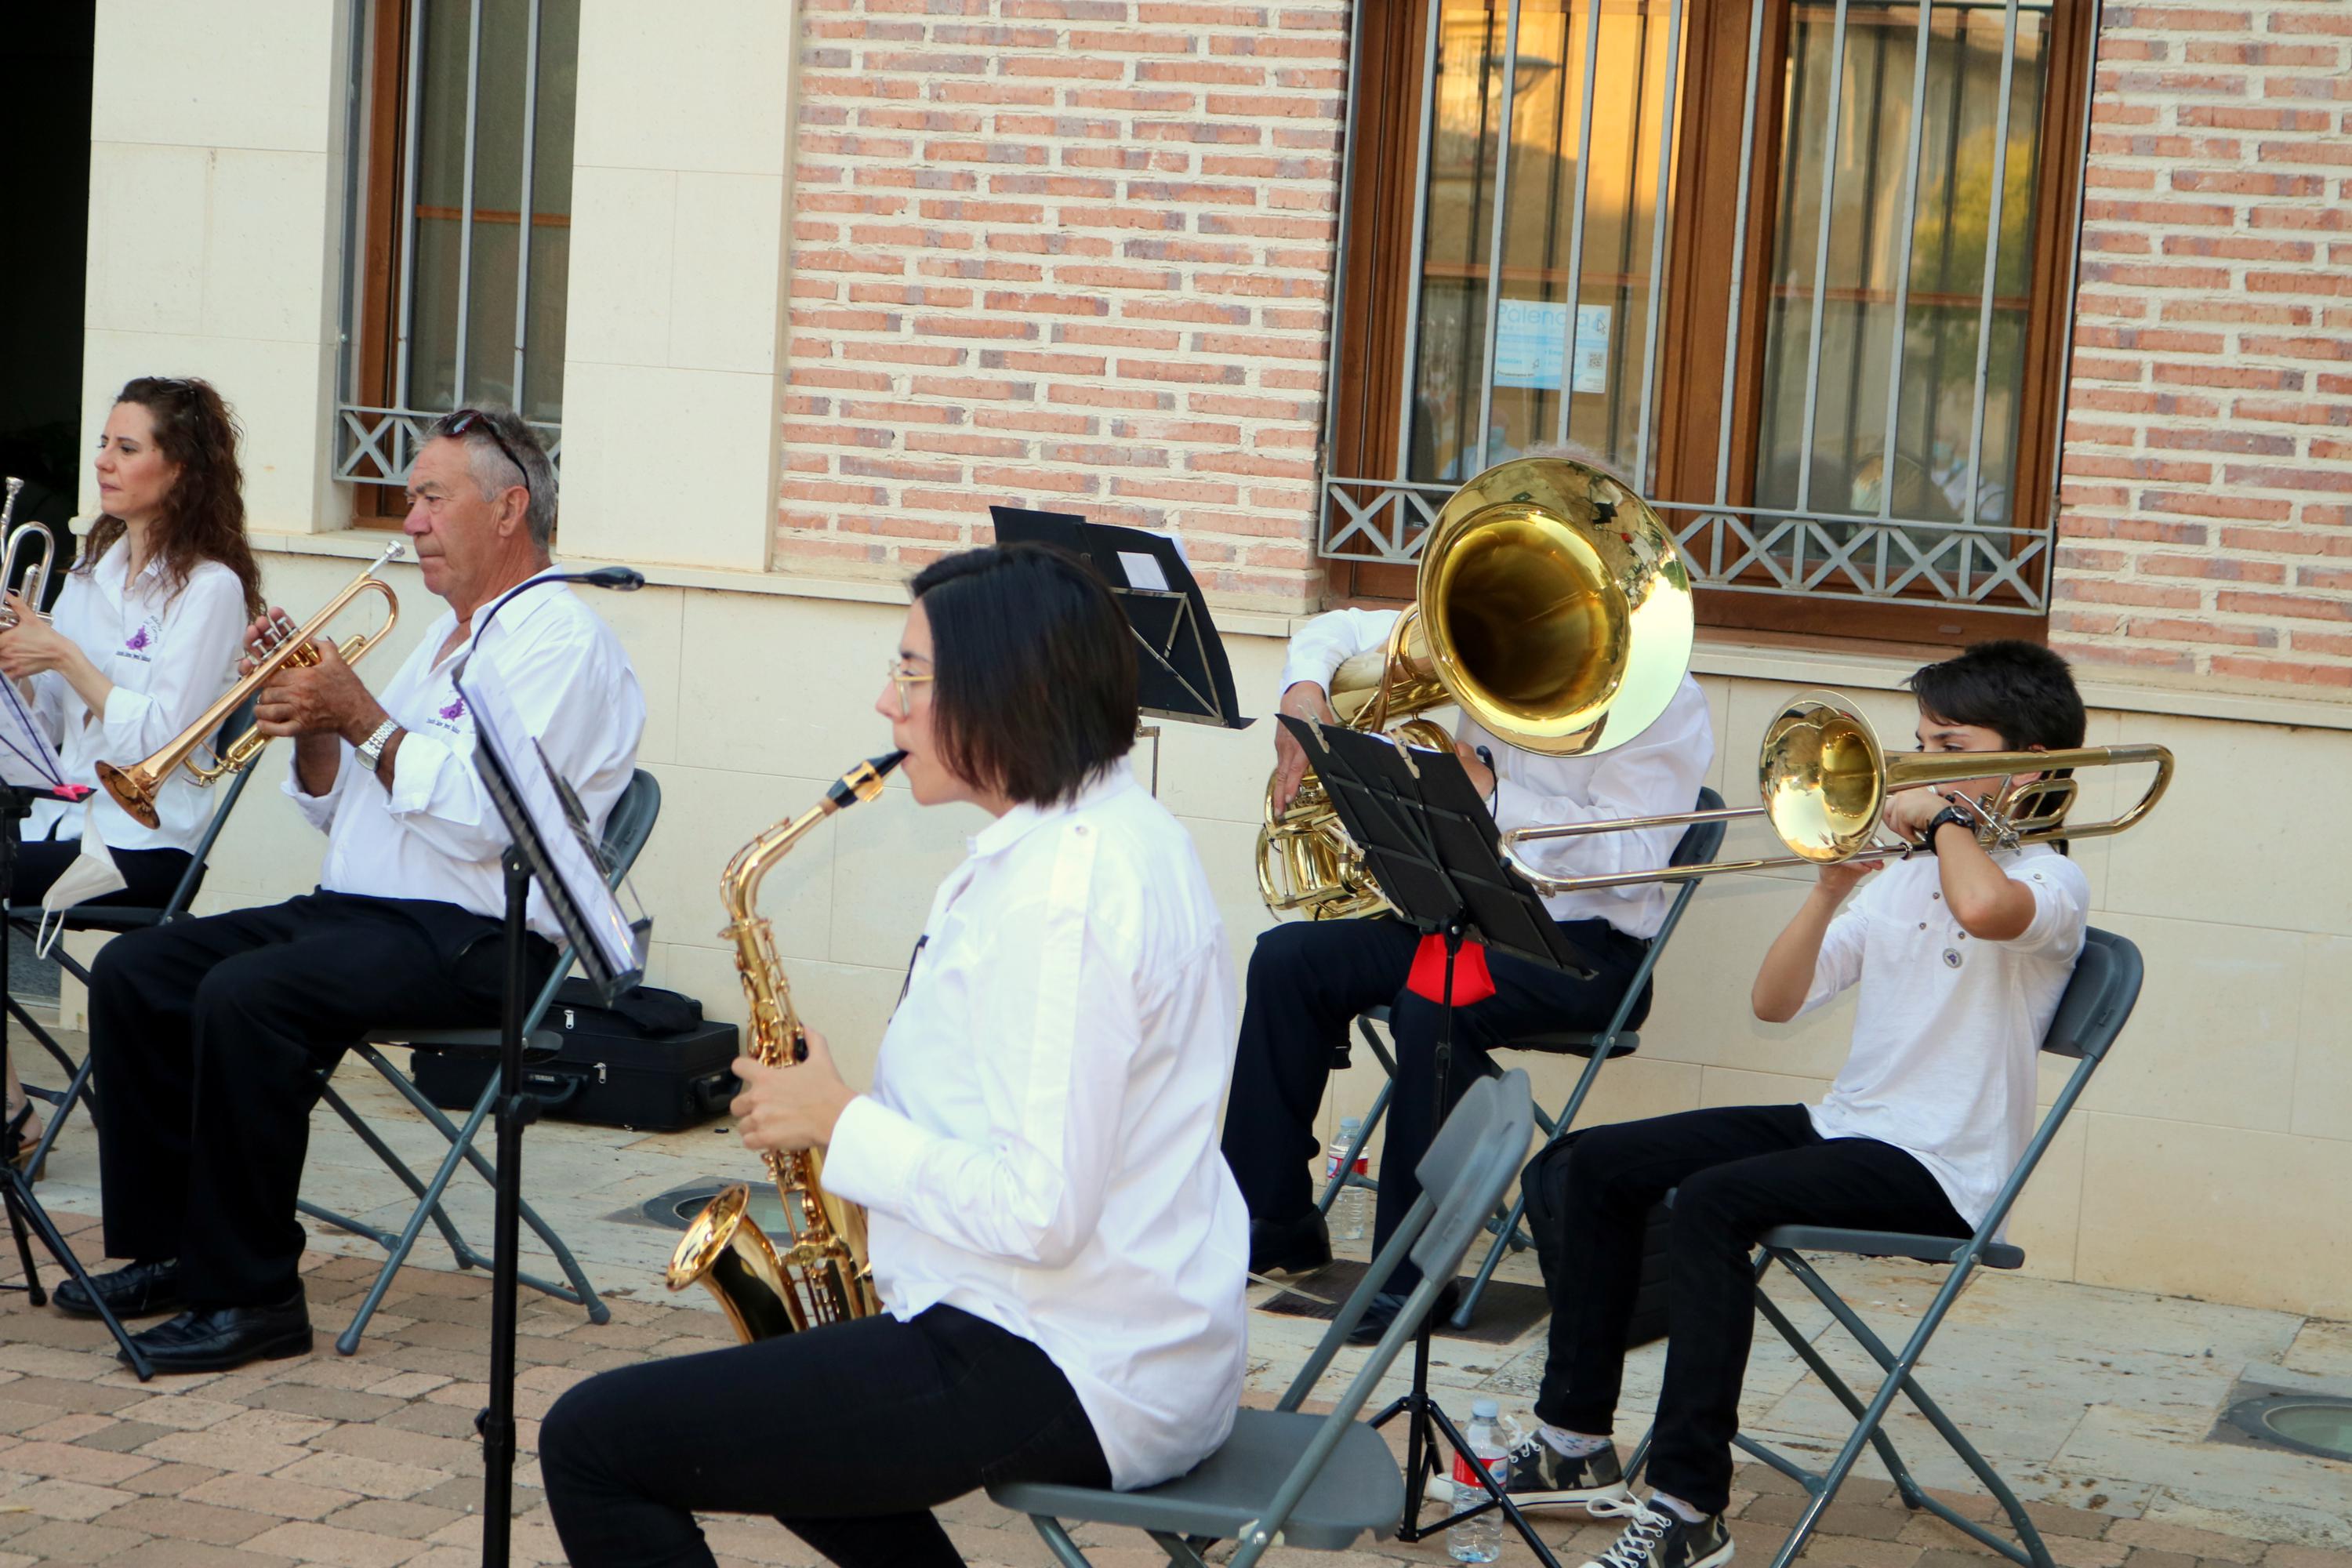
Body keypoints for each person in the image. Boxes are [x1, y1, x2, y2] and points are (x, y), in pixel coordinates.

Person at [539, 543, 1248, 1568]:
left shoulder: (1067, 899)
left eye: (913, 675)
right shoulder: (1093, 830)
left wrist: (838, 1122)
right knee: (793, 1416)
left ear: (1007, 688)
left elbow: (1041, 1211)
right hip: (1079, 1325)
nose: (886, 703)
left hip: (1068, 1357)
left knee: (595, 1440)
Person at [54, 406, 644, 1374]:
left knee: (248, 998)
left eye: (428, 498)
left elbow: (490, 816)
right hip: (363, 915)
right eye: (407, 498)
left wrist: (359, 712)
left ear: (508, 509)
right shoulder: (444, 639)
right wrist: (316, 723)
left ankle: (253, 1299)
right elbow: (344, 808)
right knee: (139, 968)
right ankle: (177, 1253)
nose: (408, 521)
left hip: (477, 935)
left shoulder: (561, 640)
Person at [1497, 641, 2091, 1568]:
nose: (1920, 764)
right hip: (1848, 1125)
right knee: (1589, 1163)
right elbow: (1775, 1002)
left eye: (1950, 744)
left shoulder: (2053, 882)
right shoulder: (1902, 877)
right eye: (1921, 741)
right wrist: (1824, 891)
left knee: (1712, 1204)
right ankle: (1573, 1444)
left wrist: (1942, 826)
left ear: (2030, 769)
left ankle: (1691, 1504)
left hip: (1944, 1166)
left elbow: (1985, 908)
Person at [1222, 597, 1713, 1342]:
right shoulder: (1489, 638)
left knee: (1435, 998)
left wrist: (1493, 794)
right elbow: (1346, 626)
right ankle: (1273, 1218)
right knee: (1288, 960)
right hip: (1456, 915)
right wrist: (1305, 686)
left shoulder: (1666, 703)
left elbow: (1633, 865)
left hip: (1583, 952)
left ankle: (1411, 1276)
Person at [0, 376, 263, 1163]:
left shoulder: (211, 589)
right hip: (63, 817)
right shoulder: (91, 571)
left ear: (179, 467)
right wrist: (22, 678)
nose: (104, 463)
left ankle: (11, 1115)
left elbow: (162, 740)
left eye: (127, 447)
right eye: (103, 445)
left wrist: (66, 657)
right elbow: (49, 737)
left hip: (143, 845)